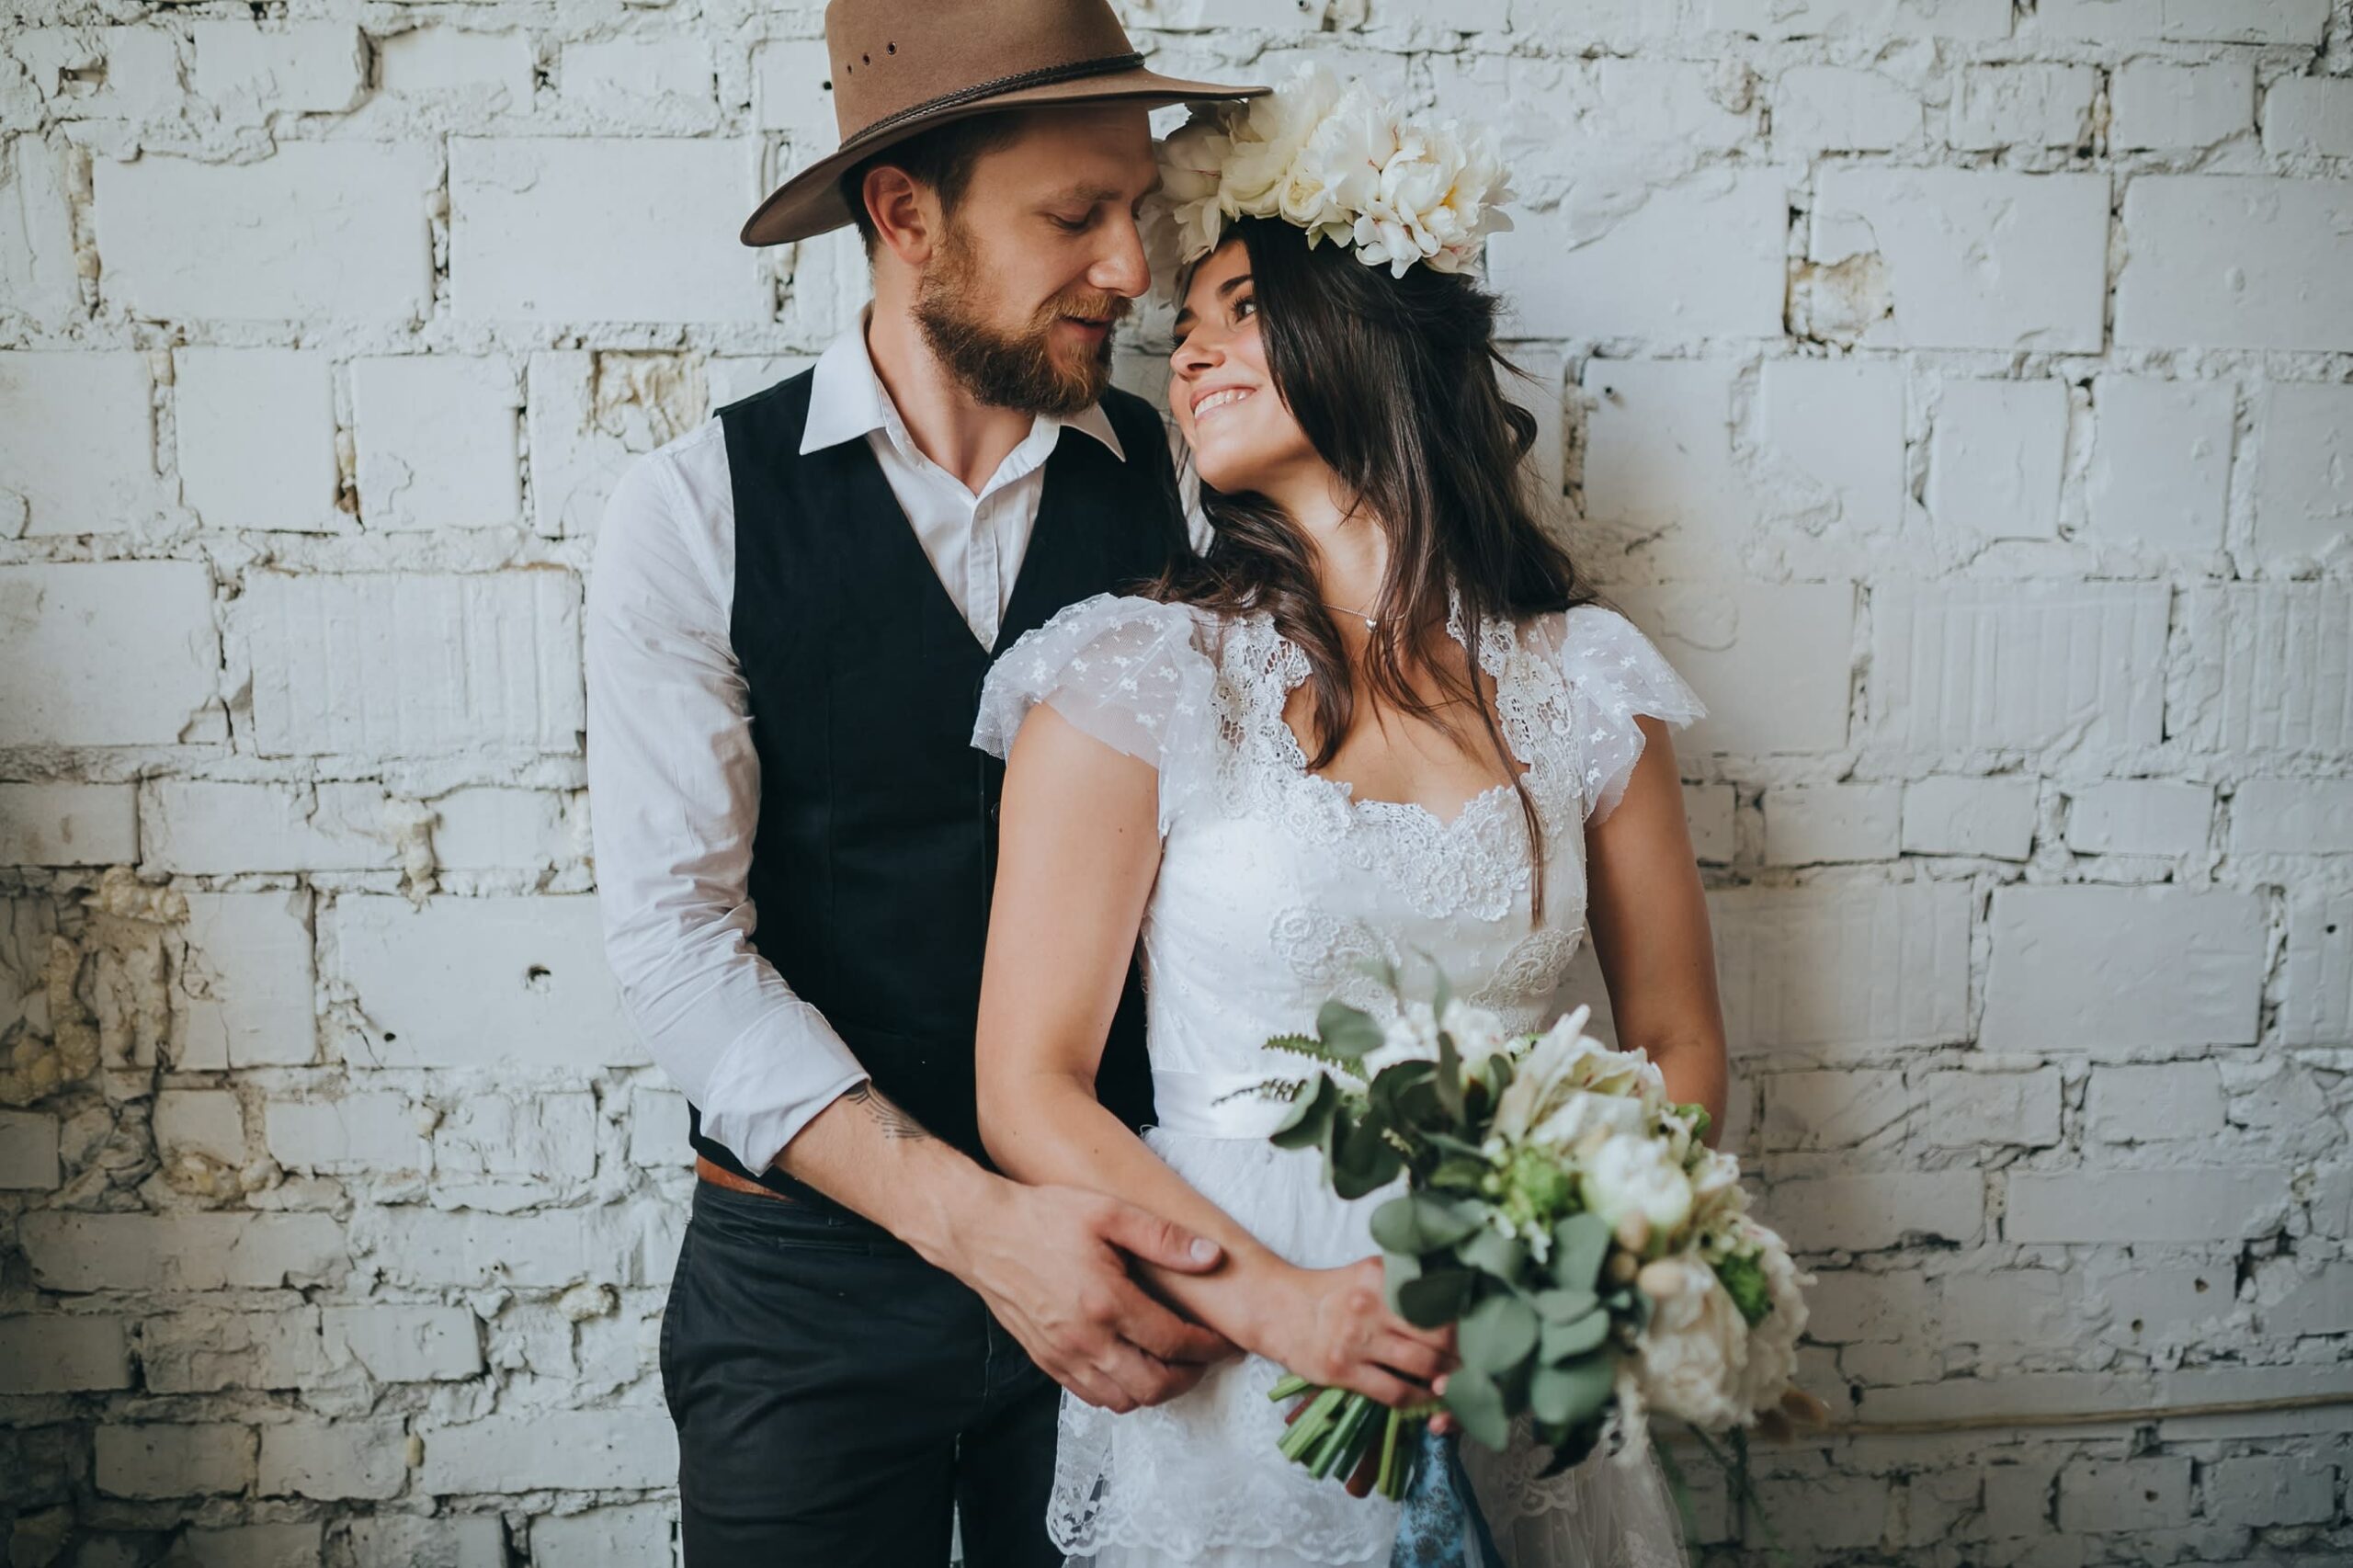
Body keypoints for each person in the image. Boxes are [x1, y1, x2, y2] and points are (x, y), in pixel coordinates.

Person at [970, 66, 1722, 1566]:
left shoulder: (1587, 687)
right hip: (1235, 1361)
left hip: (1512, 1365)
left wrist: (1577, 1263)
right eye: (1180, 333)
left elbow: (1680, 1040)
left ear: (1362, 327)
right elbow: (1029, 1086)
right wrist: (1280, 1299)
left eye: (1234, 308)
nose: (1185, 356)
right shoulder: (1138, 674)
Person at [585, 2, 1268, 1561]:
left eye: (1139, 212)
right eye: (1073, 216)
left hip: (1133, 1257)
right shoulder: (691, 515)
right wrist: (977, 1226)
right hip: (804, 1292)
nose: (1134, 272)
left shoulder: (1183, 484)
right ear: (904, 215)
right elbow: (679, 947)